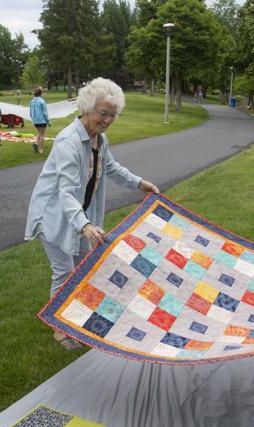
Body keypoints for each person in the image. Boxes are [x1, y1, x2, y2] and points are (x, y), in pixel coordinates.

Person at [25, 77, 160, 350]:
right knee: (64, 272)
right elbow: (65, 191)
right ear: (87, 108)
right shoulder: (68, 142)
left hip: (78, 216)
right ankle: (61, 329)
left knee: (85, 268)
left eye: (113, 115)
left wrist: (138, 183)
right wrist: (85, 225)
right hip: (53, 215)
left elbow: (110, 167)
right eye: (103, 113)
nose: (108, 120)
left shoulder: (100, 138)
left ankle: (75, 318)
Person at [29, 86, 51, 155]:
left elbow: (30, 113)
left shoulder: (31, 101)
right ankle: (41, 149)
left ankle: (36, 143)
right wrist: (48, 121)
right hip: (42, 121)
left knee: (40, 133)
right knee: (42, 135)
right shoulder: (42, 101)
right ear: (41, 93)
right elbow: (45, 112)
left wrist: (33, 119)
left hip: (35, 121)